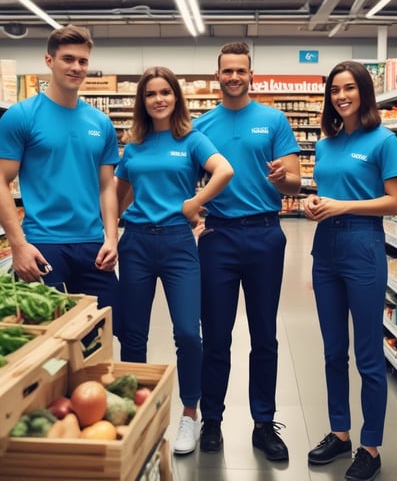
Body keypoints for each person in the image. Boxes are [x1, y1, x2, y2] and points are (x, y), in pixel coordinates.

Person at [114, 66, 233, 455]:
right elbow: (117, 194)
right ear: (143, 102)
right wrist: (108, 233)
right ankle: (137, 413)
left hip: (179, 243)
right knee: (134, 334)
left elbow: (224, 170)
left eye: (165, 92)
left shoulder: (192, 139)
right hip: (136, 244)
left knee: (187, 332)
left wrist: (196, 203)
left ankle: (189, 415)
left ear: (176, 98)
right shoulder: (133, 145)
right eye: (151, 94)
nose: (159, 99)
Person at [194, 42, 301, 460]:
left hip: (264, 234)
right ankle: (212, 420)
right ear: (217, 75)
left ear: (250, 74)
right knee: (215, 335)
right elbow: (188, 181)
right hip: (217, 238)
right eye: (227, 71)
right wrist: (194, 209)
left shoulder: (274, 120)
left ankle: (263, 423)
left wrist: (282, 179)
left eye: (241, 70)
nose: (234, 77)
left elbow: (293, 182)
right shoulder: (201, 125)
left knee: (265, 334)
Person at [304, 60, 397, 481]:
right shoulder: (326, 144)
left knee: (367, 355)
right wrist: (314, 202)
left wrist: (345, 206)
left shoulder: (384, 141)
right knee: (331, 351)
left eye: (349, 88)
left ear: (363, 91)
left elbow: (396, 201)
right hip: (325, 249)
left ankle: (371, 446)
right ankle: (340, 433)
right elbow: (326, 191)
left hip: (363, 246)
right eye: (334, 90)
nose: (340, 96)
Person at [0, 25, 120, 320]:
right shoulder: (22, 116)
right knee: (49, 343)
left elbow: (106, 187)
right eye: (68, 59)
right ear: (49, 61)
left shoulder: (101, 123)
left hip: (93, 247)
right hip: (43, 245)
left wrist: (111, 238)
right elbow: (2, 180)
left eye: (83, 61)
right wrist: (18, 245)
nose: (76, 67)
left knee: (99, 335)